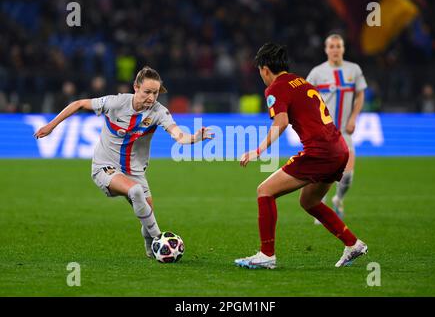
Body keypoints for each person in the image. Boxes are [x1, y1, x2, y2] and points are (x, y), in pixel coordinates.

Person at [34, 66, 212, 258]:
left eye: (155, 93)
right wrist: (51, 126)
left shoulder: (159, 112)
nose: (151, 98)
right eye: (147, 92)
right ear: (135, 87)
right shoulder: (115, 103)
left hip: (135, 172)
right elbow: (78, 104)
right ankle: (160, 241)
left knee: (148, 212)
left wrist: (195, 138)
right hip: (105, 167)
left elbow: (178, 136)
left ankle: (150, 248)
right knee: (135, 191)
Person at [234, 43, 367, 269]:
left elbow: (281, 121)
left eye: (260, 71)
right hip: (339, 149)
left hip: (320, 152)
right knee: (309, 201)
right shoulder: (301, 81)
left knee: (264, 191)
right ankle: (352, 243)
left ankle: (267, 255)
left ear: (265, 69)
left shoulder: (275, 88)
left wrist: (258, 150)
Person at [306, 34, 367, 220]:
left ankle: (338, 199)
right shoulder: (317, 72)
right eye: (331, 46)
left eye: (338, 46)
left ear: (343, 48)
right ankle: (319, 204)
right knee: (322, 173)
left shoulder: (353, 70)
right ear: (326, 50)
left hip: (343, 131)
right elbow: (306, 98)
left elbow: (360, 94)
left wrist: (353, 118)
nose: (335, 50)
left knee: (347, 176)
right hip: (324, 134)